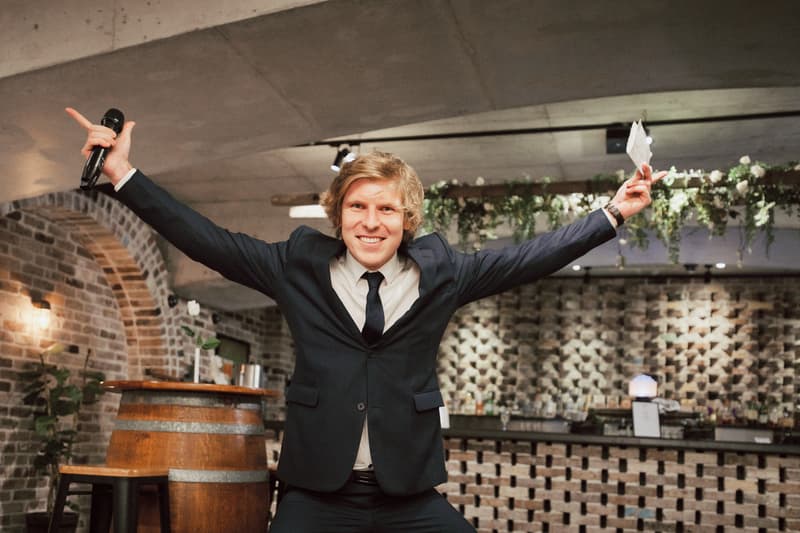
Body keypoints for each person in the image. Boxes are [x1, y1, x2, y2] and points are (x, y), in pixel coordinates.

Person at [66, 107, 666, 532]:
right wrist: (122, 175)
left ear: (407, 219)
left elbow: (530, 256)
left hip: (409, 497)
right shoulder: (295, 266)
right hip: (314, 495)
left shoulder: (445, 273)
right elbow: (205, 239)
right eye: (357, 206)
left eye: (386, 209)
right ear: (338, 214)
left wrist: (612, 214)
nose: (371, 222)